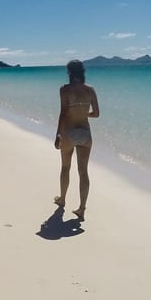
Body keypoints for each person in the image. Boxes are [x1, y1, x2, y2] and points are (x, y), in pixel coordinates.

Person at [54, 59, 100, 219]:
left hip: (69, 132)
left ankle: (62, 199)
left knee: (65, 167)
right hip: (85, 134)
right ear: (82, 72)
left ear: (69, 72)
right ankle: (82, 208)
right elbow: (96, 113)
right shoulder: (90, 90)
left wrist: (57, 134)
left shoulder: (64, 90)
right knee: (83, 172)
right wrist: (83, 113)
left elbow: (62, 114)